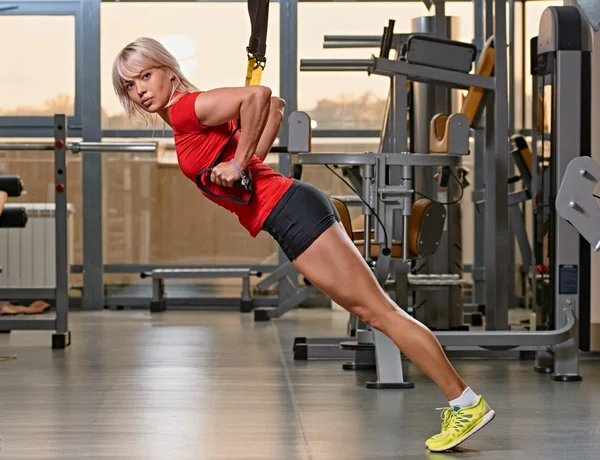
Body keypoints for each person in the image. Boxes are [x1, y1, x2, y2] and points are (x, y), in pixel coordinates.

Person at [111, 37, 495, 452]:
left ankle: (465, 402)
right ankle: (463, 401)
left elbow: (258, 96)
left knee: (380, 313)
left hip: (291, 213)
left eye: (146, 76)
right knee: (379, 310)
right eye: (130, 86)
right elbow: (273, 108)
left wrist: (239, 163)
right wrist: (245, 163)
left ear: (168, 69)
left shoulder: (187, 109)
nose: (141, 90)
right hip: (292, 208)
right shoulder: (188, 114)